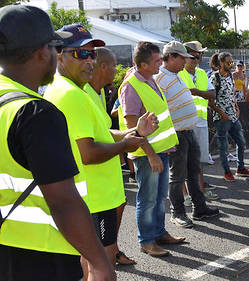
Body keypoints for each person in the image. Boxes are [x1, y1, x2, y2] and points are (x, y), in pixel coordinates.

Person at [0, 5, 115, 281]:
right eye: (54, 47)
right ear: (43, 52)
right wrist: (99, 262)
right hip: (40, 254)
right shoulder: (37, 113)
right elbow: (63, 200)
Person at [43, 24, 158, 278]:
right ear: (59, 55)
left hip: (96, 197)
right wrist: (126, 145)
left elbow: (101, 136)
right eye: (81, 54)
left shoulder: (79, 90)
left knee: (89, 268)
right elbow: (89, 153)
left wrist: (135, 133)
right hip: (94, 199)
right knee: (103, 269)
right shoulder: (69, 94)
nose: (90, 61)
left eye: (93, 54)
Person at [118, 41, 182, 257]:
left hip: (160, 151)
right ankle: (146, 241)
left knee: (159, 196)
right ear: (143, 65)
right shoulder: (131, 87)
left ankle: (159, 232)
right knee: (147, 200)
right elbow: (132, 130)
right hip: (147, 155)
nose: (161, 63)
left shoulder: (149, 79)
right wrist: (152, 155)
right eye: (157, 61)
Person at [155, 41, 219, 228]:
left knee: (193, 171)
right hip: (177, 134)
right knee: (177, 176)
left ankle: (199, 208)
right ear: (172, 57)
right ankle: (178, 213)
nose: (186, 61)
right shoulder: (160, 78)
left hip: (188, 131)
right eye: (183, 58)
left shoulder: (176, 75)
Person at [85, 47, 138, 266]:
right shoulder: (83, 93)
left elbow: (105, 132)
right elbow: (87, 148)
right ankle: (109, 257)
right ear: (104, 67)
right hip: (95, 188)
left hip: (108, 181)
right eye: (115, 66)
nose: (117, 70)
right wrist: (126, 143)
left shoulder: (98, 92)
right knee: (97, 259)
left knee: (120, 207)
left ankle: (114, 251)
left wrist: (130, 132)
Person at [177, 41, 219, 202]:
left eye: (198, 56)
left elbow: (212, 94)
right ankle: (185, 195)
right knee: (182, 161)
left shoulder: (201, 73)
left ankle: (200, 192)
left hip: (200, 122)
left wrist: (196, 92)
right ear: (185, 57)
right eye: (193, 57)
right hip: (183, 123)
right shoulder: (178, 74)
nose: (196, 59)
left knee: (198, 160)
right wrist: (202, 93)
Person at [209, 52, 249, 182]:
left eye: (232, 62)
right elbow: (210, 101)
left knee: (241, 142)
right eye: (229, 62)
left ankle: (241, 168)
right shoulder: (214, 78)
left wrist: (236, 106)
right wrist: (221, 113)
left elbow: (232, 93)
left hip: (233, 116)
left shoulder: (230, 75)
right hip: (221, 118)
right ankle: (227, 172)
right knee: (223, 146)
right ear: (221, 63)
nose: (231, 64)